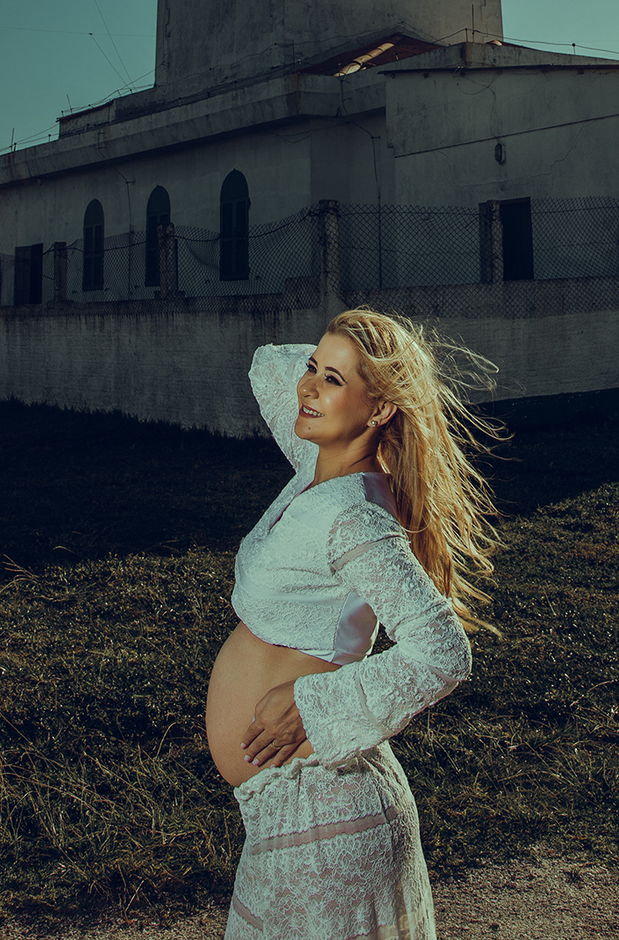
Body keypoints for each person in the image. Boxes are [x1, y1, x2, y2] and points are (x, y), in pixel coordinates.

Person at [205, 308, 499, 940]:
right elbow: (266, 367)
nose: (307, 387)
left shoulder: (355, 516)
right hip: (296, 815)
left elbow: (442, 652)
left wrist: (310, 707)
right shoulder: (314, 466)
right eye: (313, 368)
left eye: (332, 380)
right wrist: (346, 360)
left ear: (380, 409)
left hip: (324, 817)